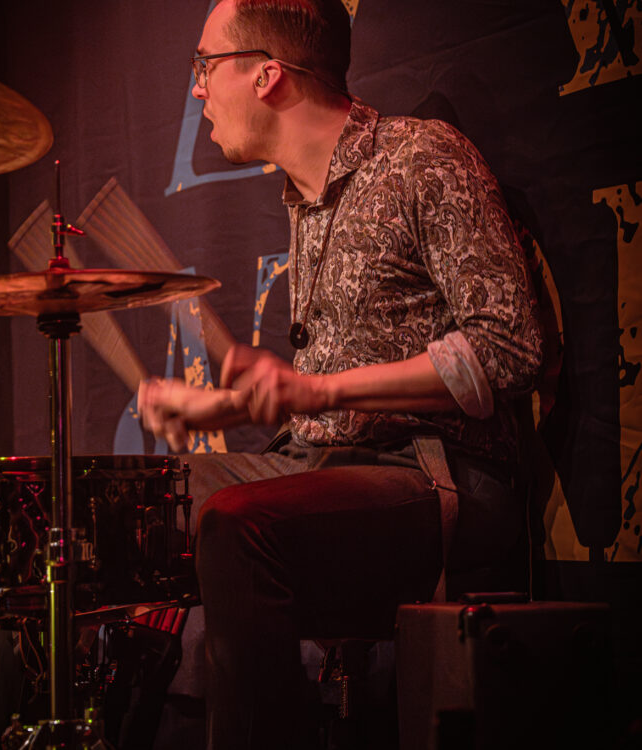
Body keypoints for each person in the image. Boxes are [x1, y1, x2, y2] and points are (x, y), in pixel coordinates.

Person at [137, 1, 544, 747]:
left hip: (435, 474)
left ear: (267, 75)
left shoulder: (421, 156)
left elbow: (508, 349)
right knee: (135, 505)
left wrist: (319, 389)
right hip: (331, 464)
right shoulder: (305, 199)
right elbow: (329, 398)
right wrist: (227, 406)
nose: (196, 88)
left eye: (205, 65)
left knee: (233, 524)